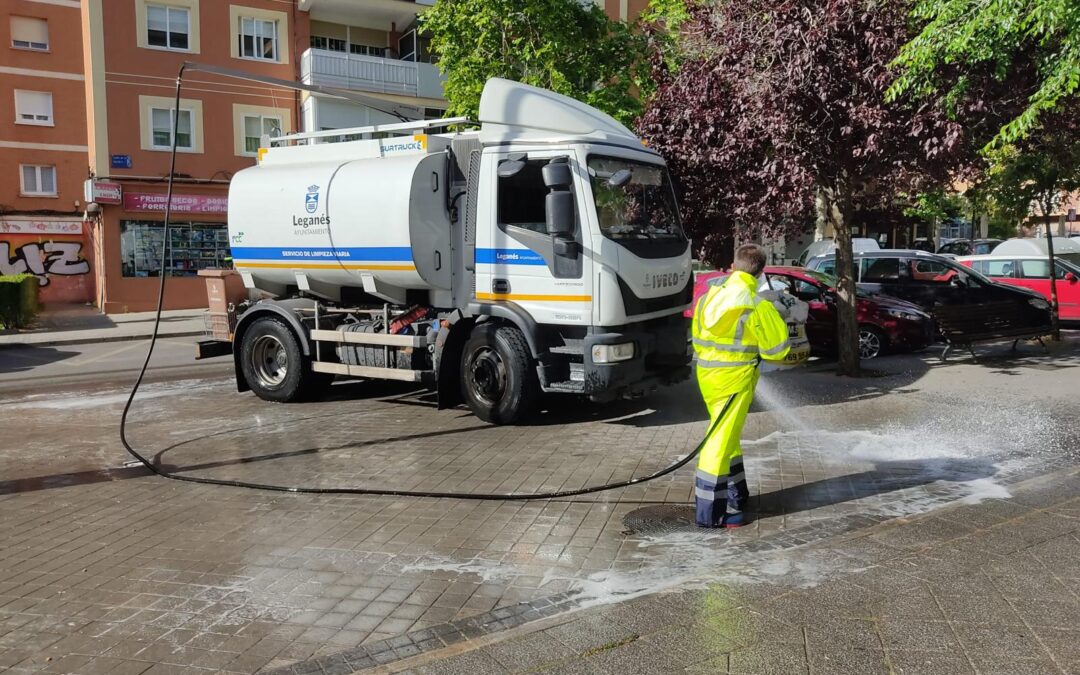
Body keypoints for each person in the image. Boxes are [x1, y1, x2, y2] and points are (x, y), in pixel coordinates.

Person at [691, 244, 792, 528]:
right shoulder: (757, 304)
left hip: (707, 376)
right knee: (718, 442)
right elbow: (778, 351)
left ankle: (737, 495)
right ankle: (712, 515)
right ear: (761, 273)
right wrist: (777, 314)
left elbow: (698, 337)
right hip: (735, 380)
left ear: (733, 267)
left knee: (728, 436)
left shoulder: (708, 296)